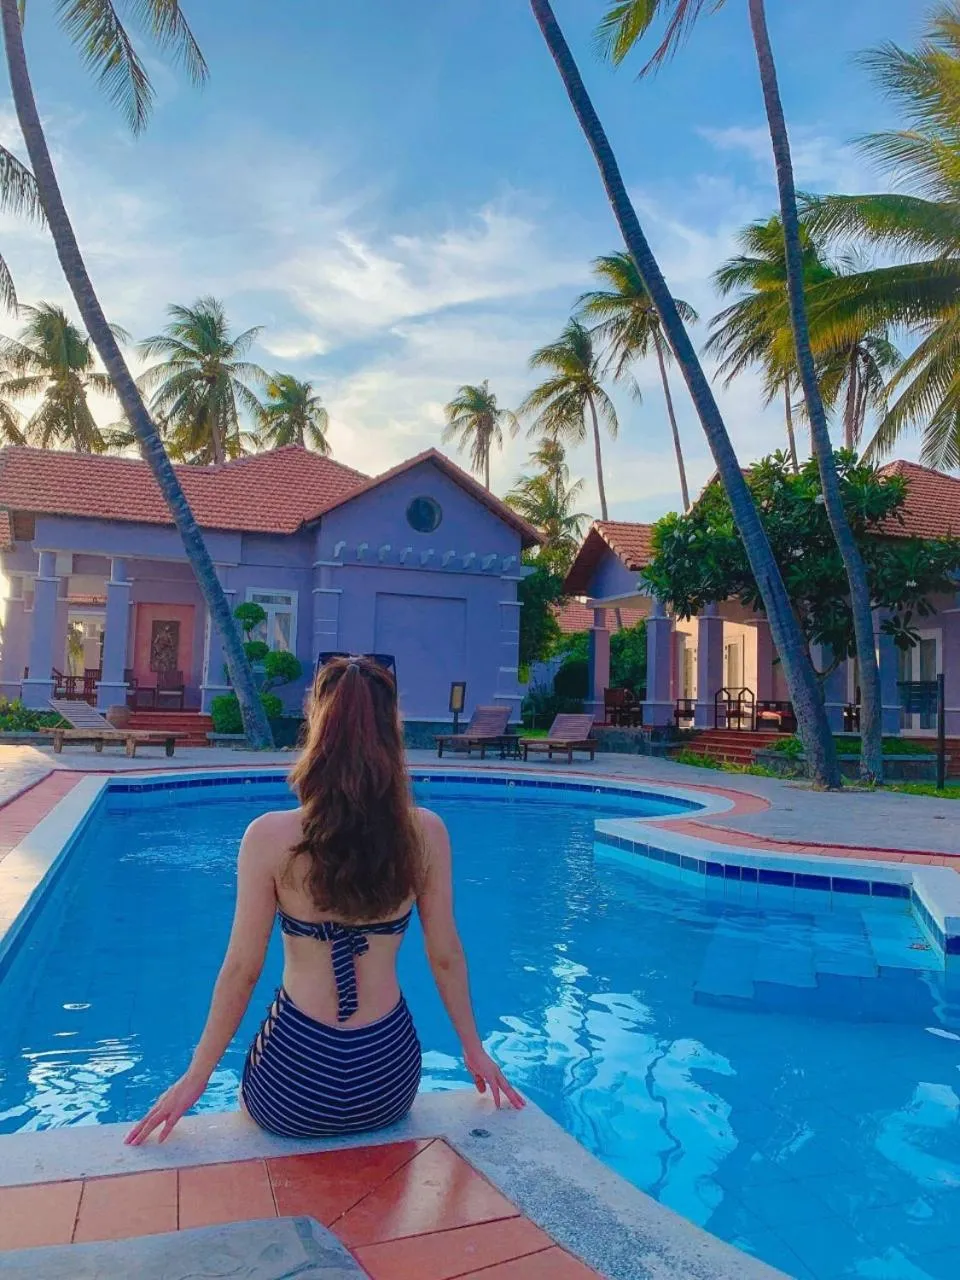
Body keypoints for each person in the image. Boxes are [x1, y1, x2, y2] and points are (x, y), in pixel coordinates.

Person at [126, 655, 522, 1145]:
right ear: (391, 732)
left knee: (251, 1105)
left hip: (293, 1084)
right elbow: (444, 955)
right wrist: (474, 1050)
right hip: (387, 1080)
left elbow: (242, 970)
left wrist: (196, 1077)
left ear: (317, 729)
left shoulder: (269, 838)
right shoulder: (425, 835)